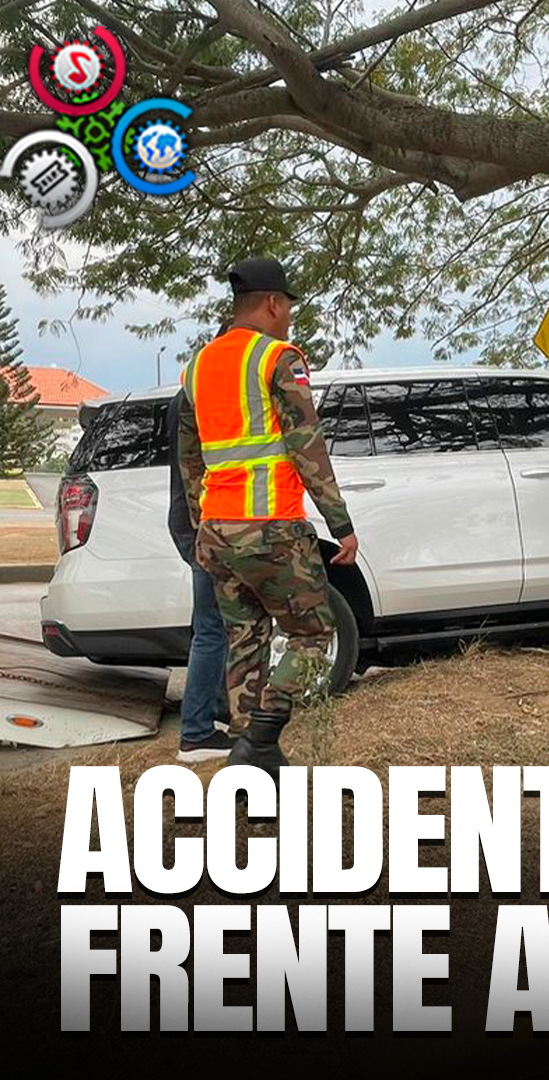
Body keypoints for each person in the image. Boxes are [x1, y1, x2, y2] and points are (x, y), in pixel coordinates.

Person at [176, 258, 357, 776]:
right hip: (272, 529)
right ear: (274, 303)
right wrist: (339, 523)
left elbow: (189, 458)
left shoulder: (198, 367)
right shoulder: (277, 358)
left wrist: (198, 525)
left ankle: (249, 758)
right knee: (314, 633)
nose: (289, 319)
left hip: (218, 532)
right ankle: (261, 736)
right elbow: (307, 445)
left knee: (245, 640)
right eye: (289, 308)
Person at [165, 346, 233, 763]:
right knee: (212, 627)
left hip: (194, 520)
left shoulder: (187, 389)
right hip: (203, 522)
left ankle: (220, 712)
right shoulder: (204, 391)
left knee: (219, 624)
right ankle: (196, 733)